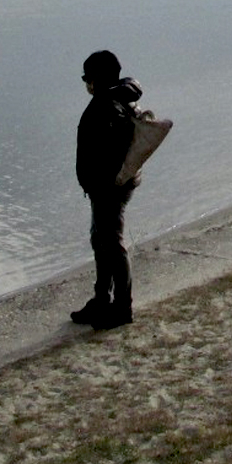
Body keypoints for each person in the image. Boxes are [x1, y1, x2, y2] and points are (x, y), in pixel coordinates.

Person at [70, 49, 140, 330]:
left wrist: (102, 184)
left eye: (88, 77)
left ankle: (121, 307)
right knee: (101, 241)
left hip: (109, 187)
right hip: (106, 186)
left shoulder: (109, 106)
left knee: (111, 244)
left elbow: (112, 152)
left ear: (99, 78)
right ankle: (102, 299)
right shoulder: (116, 99)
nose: (86, 83)